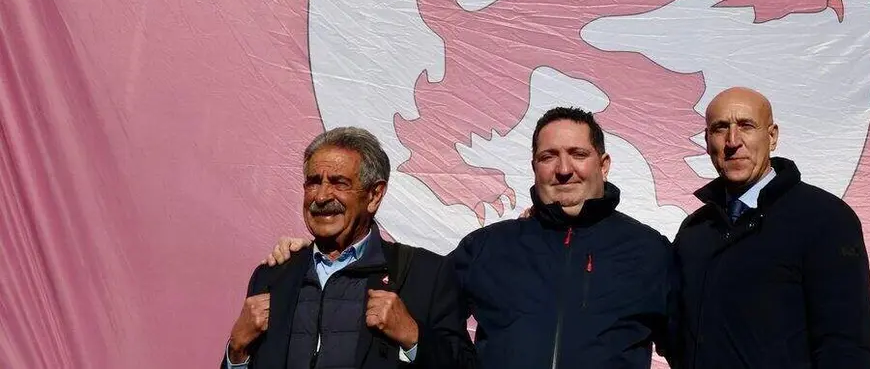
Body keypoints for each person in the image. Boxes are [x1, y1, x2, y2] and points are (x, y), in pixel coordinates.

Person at [267, 108, 673, 369]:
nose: (563, 169)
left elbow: (691, 347)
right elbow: (407, 297)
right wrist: (318, 254)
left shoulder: (650, 251)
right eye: (548, 157)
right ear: (534, 166)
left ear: (604, 164)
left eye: (578, 154)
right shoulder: (488, 247)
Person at [223, 127, 475, 369]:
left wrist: (413, 337)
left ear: (374, 195)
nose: (321, 197)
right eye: (313, 182)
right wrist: (236, 351)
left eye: (339, 183)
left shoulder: (426, 275)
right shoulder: (272, 275)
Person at [670, 87, 870, 369]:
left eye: (746, 126)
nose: (733, 141)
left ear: (772, 136)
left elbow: (846, 345)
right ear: (707, 141)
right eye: (720, 128)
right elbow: (677, 334)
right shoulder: (694, 231)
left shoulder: (825, 219)